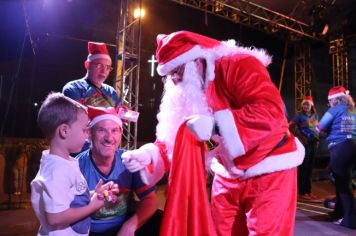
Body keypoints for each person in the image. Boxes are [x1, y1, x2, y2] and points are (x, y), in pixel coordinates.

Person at [121, 31, 305, 235]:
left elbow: (271, 113)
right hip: (227, 173)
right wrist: (147, 156)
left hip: (269, 168)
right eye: (169, 74)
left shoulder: (238, 64)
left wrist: (216, 126)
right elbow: (176, 139)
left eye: (177, 70)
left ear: (196, 61)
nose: (174, 79)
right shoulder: (186, 89)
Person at [31, 92, 117, 235]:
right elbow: (55, 217)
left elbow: (70, 197)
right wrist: (92, 207)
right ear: (64, 130)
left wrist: (93, 194)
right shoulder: (56, 170)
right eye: (84, 129)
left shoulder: (65, 162)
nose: (87, 134)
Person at [76, 106, 158, 236]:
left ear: (121, 134)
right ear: (90, 134)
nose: (109, 138)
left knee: (159, 219)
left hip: (121, 230)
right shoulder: (76, 166)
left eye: (114, 131)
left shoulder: (129, 161)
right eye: (101, 130)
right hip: (85, 232)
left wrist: (130, 226)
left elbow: (150, 199)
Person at [316, 85, 356, 229]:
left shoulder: (334, 110)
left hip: (340, 147)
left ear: (333, 100)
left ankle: (351, 220)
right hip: (352, 146)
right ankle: (339, 213)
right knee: (343, 182)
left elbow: (319, 128)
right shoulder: (352, 110)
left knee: (343, 186)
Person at [63, 41, 121, 108]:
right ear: (87, 65)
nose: (104, 71)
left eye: (107, 67)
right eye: (99, 65)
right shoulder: (74, 88)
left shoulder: (110, 91)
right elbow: (76, 116)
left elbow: (119, 114)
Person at [289, 95, 320, 201]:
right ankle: (302, 192)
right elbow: (290, 126)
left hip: (313, 143)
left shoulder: (314, 115)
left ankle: (308, 191)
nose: (306, 106)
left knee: (310, 168)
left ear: (311, 105)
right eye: (304, 104)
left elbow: (314, 129)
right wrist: (301, 137)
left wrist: (317, 139)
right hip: (305, 144)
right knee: (304, 167)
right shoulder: (299, 116)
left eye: (308, 104)